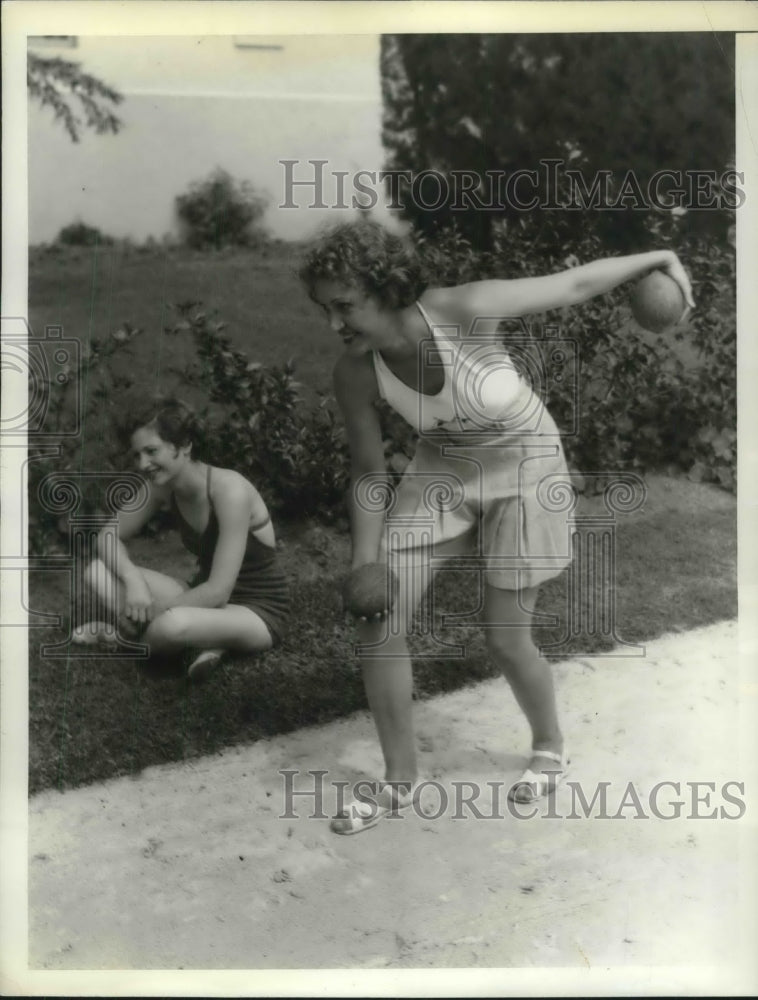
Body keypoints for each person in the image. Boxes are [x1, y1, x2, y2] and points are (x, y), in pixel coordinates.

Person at [300, 219, 694, 835]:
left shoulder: (462, 310)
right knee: (379, 620)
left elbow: (571, 286)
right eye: (325, 309)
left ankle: (549, 743)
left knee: (505, 636)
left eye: (344, 305)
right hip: (444, 466)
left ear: (385, 286)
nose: (334, 323)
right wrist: (364, 559)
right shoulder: (355, 370)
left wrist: (659, 255)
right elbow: (367, 471)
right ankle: (400, 781)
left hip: (526, 462)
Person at [73, 397, 289, 679]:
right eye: (137, 455)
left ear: (184, 445)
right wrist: (134, 583)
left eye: (151, 451)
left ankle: (121, 640)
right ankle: (208, 644)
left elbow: (219, 590)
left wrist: (151, 611)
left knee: (171, 625)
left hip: (257, 612)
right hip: (203, 599)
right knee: (96, 572)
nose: (143, 463)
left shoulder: (229, 490)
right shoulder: (161, 487)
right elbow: (106, 537)